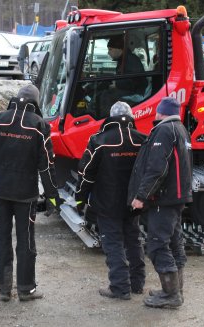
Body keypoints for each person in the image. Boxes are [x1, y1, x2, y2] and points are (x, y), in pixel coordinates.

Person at [0, 84, 60, 302]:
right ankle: (26, 289)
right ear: (35, 101)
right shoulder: (39, 125)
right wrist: (52, 195)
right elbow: (47, 164)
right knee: (26, 241)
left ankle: (4, 289)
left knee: (1, 238)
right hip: (25, 194)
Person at [75, 101, 147, 300]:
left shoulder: (100, 140)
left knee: (113, 243)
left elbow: (86, 173)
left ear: (111, 117)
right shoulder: (143, 139)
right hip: (134, 202)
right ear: (131, 117)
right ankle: (137, 283)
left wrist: (80, 198)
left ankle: (120, 287)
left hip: (107, 203)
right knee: (133, 240)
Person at [128, 97, 193, 309]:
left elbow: (158, 168)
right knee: (174, 243)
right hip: (176, 197)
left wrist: (141, 196)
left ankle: (171, 294)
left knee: (157, 244)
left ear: (160, 112)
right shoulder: (180, 129)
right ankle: (175, 291)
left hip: (162, 199)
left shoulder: (164, 131)